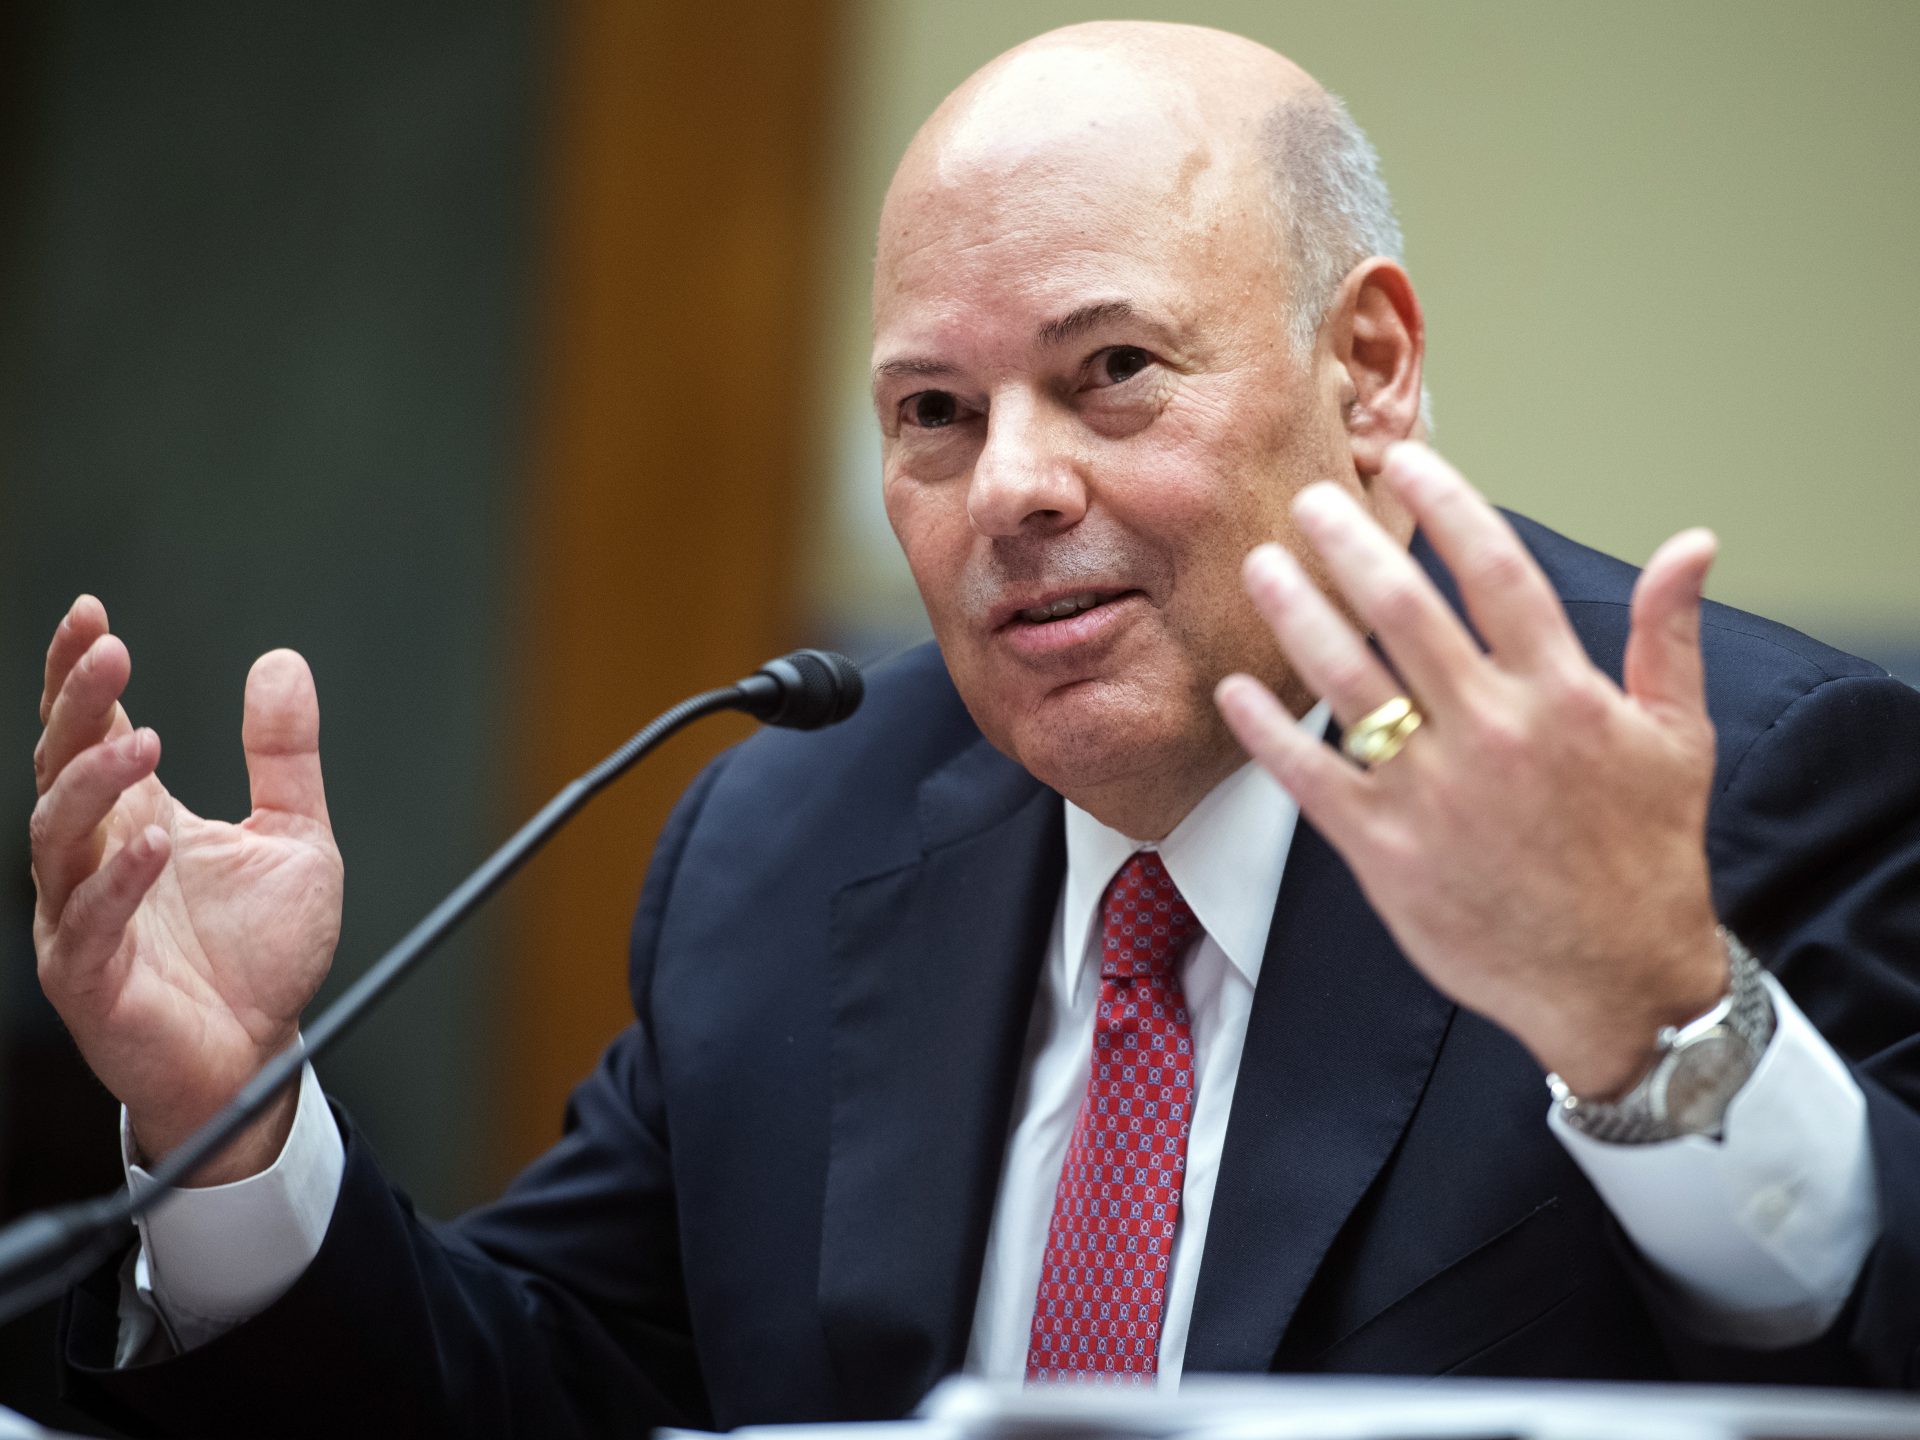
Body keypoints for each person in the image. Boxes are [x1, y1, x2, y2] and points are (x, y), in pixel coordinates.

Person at [31, 20, 1920, 1437]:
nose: (1011, 485)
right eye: (933, 413)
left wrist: (1659, 1026)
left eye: (1111, 374)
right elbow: (547, 1394)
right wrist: (227, 1127)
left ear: (1370, 368)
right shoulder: (793, 839)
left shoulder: (1731, 784)